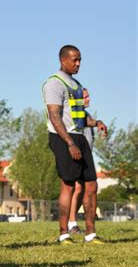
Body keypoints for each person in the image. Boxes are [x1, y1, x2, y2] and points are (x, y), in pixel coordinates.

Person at [42, 45, 107, 245]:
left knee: (91, 185)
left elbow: (79, 117)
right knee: (69, 185)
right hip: (63, 137)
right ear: (63, 60)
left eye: (80, 60)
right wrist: (70, 143)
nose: (78, 64)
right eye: (74, 60)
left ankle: (91, 234)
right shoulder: (54, 83)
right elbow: (55, 116)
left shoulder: (77, 85)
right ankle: (64, 234)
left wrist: (96, 123)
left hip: (79, 136)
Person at [68, 88, 94, 234]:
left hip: (86, 157)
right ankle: (71, 224)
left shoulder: (87, 116)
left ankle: (73, 222)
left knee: (82, 189)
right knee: (77, 188)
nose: (89, 99)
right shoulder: (73, 116)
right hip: (76, 156)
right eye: (86, 97)